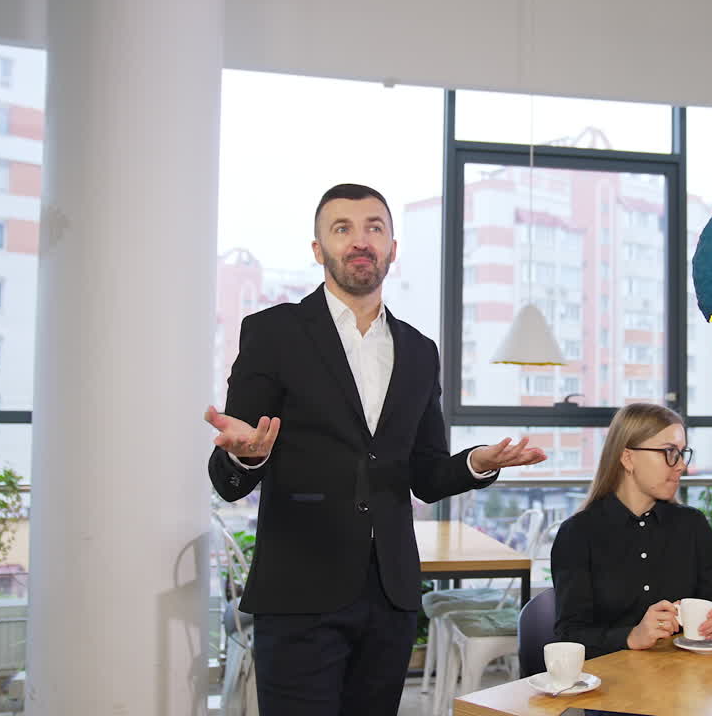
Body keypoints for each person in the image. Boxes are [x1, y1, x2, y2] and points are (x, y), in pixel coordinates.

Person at [204, 183, 545, 716]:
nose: (360, 240)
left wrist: (478, 463)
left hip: (390, 595)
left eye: (373, 228)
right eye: (342, 228)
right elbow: (229, 477)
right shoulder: (273, 333)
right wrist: (246, 455)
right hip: (298, 594)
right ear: (318, 250)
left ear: (392, 247)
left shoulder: (419, 351)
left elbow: (427, 475)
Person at [550, 403, 712, 659]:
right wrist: (631, 636)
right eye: (668, 452)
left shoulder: (693, 526)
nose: (680, 466)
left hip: (686, 683)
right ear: (628, 457)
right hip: (611, 688)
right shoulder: (577, 534)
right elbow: (568, 635)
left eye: (681, 453)